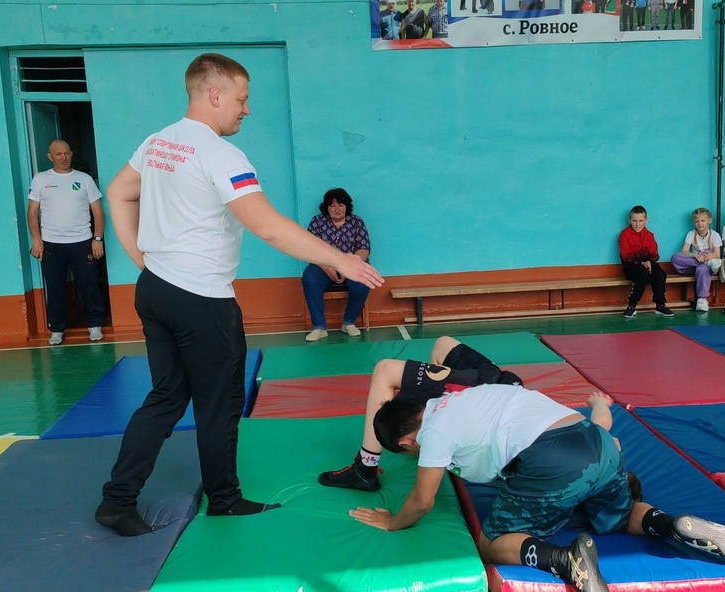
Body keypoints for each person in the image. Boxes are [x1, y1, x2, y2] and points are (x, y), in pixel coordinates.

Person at [95, 53, 383, 537]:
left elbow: (119, 191)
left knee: (166, 397)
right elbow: (268, 226)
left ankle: (116, 500)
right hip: (202, 299)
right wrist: (344, 260)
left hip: (156, 289)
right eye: (242, 99)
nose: (246, 109)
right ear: (215, 94)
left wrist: (140, 257)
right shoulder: (221, 154)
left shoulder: (158, 142)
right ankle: (225, 500)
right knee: (219, 405)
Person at [355, 384, 725, 592]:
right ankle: (669, 524)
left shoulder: (434, 432)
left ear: (407, 442)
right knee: (619, 516)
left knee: (492, 543)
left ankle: (566, 561)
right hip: (595, 442)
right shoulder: (462, 399)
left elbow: (422, 501)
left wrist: (393, 522)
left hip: (552, 462)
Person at [319, 335, 523, 492]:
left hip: (488, 390)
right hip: (505, 386)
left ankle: (365, 468)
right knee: (443, 345)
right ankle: (423, 438)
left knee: (385, 370)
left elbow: (421, 502)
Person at [27, 138, 108, 346]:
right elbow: (32, 212)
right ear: (50, 156)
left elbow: (98, 211)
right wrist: (37, 240)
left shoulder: (84, 179)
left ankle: (94, 325)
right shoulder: (40, 179)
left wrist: (97, 239)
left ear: (71, 154)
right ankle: (56, 329)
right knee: (55, 288)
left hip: (82, 242)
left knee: (89, 285)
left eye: (66, 153)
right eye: (58, 154)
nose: (63, 157)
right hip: (51, 244)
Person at [303, 188, 371, 341]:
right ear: (326, 207)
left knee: (363, 280)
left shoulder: (356, 222)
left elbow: (364, 249)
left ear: (347, 206)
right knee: (309, 278)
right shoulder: (317, 222)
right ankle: (319, 327)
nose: (337, 209)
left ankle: (349, 322)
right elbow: (310, 249)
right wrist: (328, 267)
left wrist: (347, 267)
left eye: (341, 205)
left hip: (351, 265)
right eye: (332, 205)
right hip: (323, 265)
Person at [618, 205, 673, 318]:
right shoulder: (624, 235)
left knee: (660, 274)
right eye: (634, 221)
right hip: (632, 266)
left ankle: (660, 305)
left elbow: (655, 254)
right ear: (629, 220)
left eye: (641, 221)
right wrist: (641, 263)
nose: (637, 224)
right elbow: (625, 256)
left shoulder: (649, 235)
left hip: (648, 264)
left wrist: (649, 261)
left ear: (646, 220)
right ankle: (631, 306)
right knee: (642, 273)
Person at [670, 207, 722, 312]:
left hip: (708, 268)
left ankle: (702, 299)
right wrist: (695, 256)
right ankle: (705, 263)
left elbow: (717, 255)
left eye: (703, 221)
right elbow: (685, 251)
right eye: (696, 221)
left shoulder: (715, 235)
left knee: (702, 268)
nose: (700, 224)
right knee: (675, 258)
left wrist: (710, 256)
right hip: (693, 265)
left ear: (709, 220)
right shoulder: (691, 234)